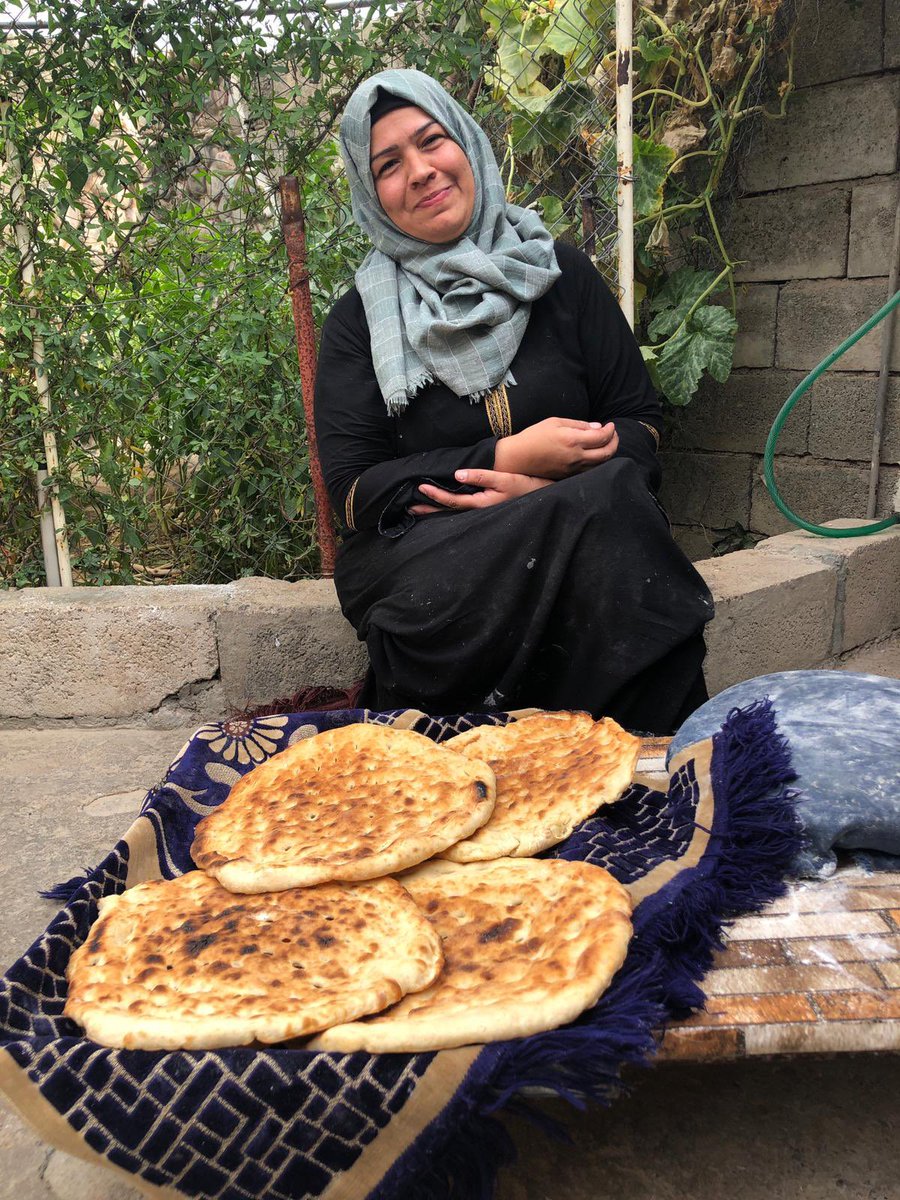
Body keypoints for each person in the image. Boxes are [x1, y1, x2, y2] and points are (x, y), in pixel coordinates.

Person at [313, 68, 714, 733]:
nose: (419, 171)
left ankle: (641, 761)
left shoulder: (561, 276)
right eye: (388, 164)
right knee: (587, 523)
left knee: (610, 506)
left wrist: (541, 490)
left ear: (466, 144)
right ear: (371, 192)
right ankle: (479, 767)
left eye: (431, 141)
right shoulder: (359, 323)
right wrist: (505, 458)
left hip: (585, 517)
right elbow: (357, 493)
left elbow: (639, 425)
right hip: (438, 549)